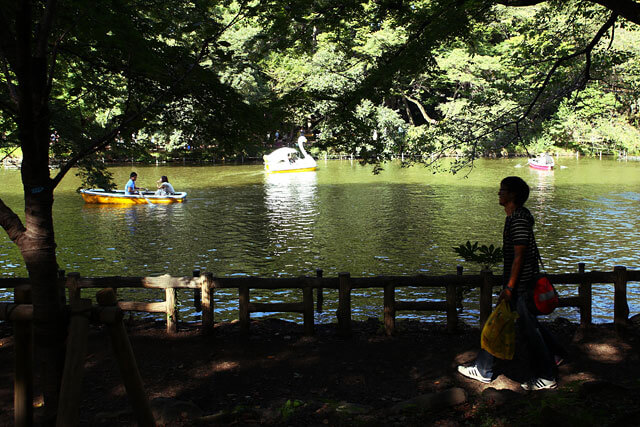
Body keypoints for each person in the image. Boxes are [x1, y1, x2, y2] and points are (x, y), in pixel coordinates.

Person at [457, 176, 566, 391]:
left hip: (522, 286)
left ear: (513, 195)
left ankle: (546, 376)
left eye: (503, 190)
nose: (499, 193)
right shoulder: (515, 217)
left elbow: (519, 256)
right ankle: (554, 356)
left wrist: (509, 287)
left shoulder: (518, 220)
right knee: (525, 325)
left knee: (524, 329)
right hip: (520, 285)